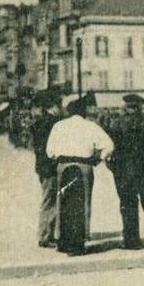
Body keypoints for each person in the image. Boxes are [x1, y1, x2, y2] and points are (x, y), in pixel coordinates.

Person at [45, 93, 114, 256]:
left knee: (63, 203)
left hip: (64, 166)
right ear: (83, 112)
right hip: (84, 166)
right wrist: (99, 158)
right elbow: (109, 145)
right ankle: (79, 242)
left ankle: (62, 241)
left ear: (69, 111)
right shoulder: (91, 126)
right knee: (83, 203)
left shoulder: (59, 126)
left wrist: (58, 157)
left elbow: (49, 151)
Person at [108, 94, 144, 249]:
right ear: (140, 107)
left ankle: (132, 241)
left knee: (128, 205)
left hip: (126, 173)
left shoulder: (117, 124)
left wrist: (115, 168)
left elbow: (111, 150)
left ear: (126, 107)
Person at [30, 90, 62, 248]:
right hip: (50, 167)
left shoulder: (40, 121)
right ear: (54, 106)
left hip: (42, 166)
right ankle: (44, 236)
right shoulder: (52, 123)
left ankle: (47, 234)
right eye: (59, 105)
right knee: (50, 200)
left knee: (49, 199)